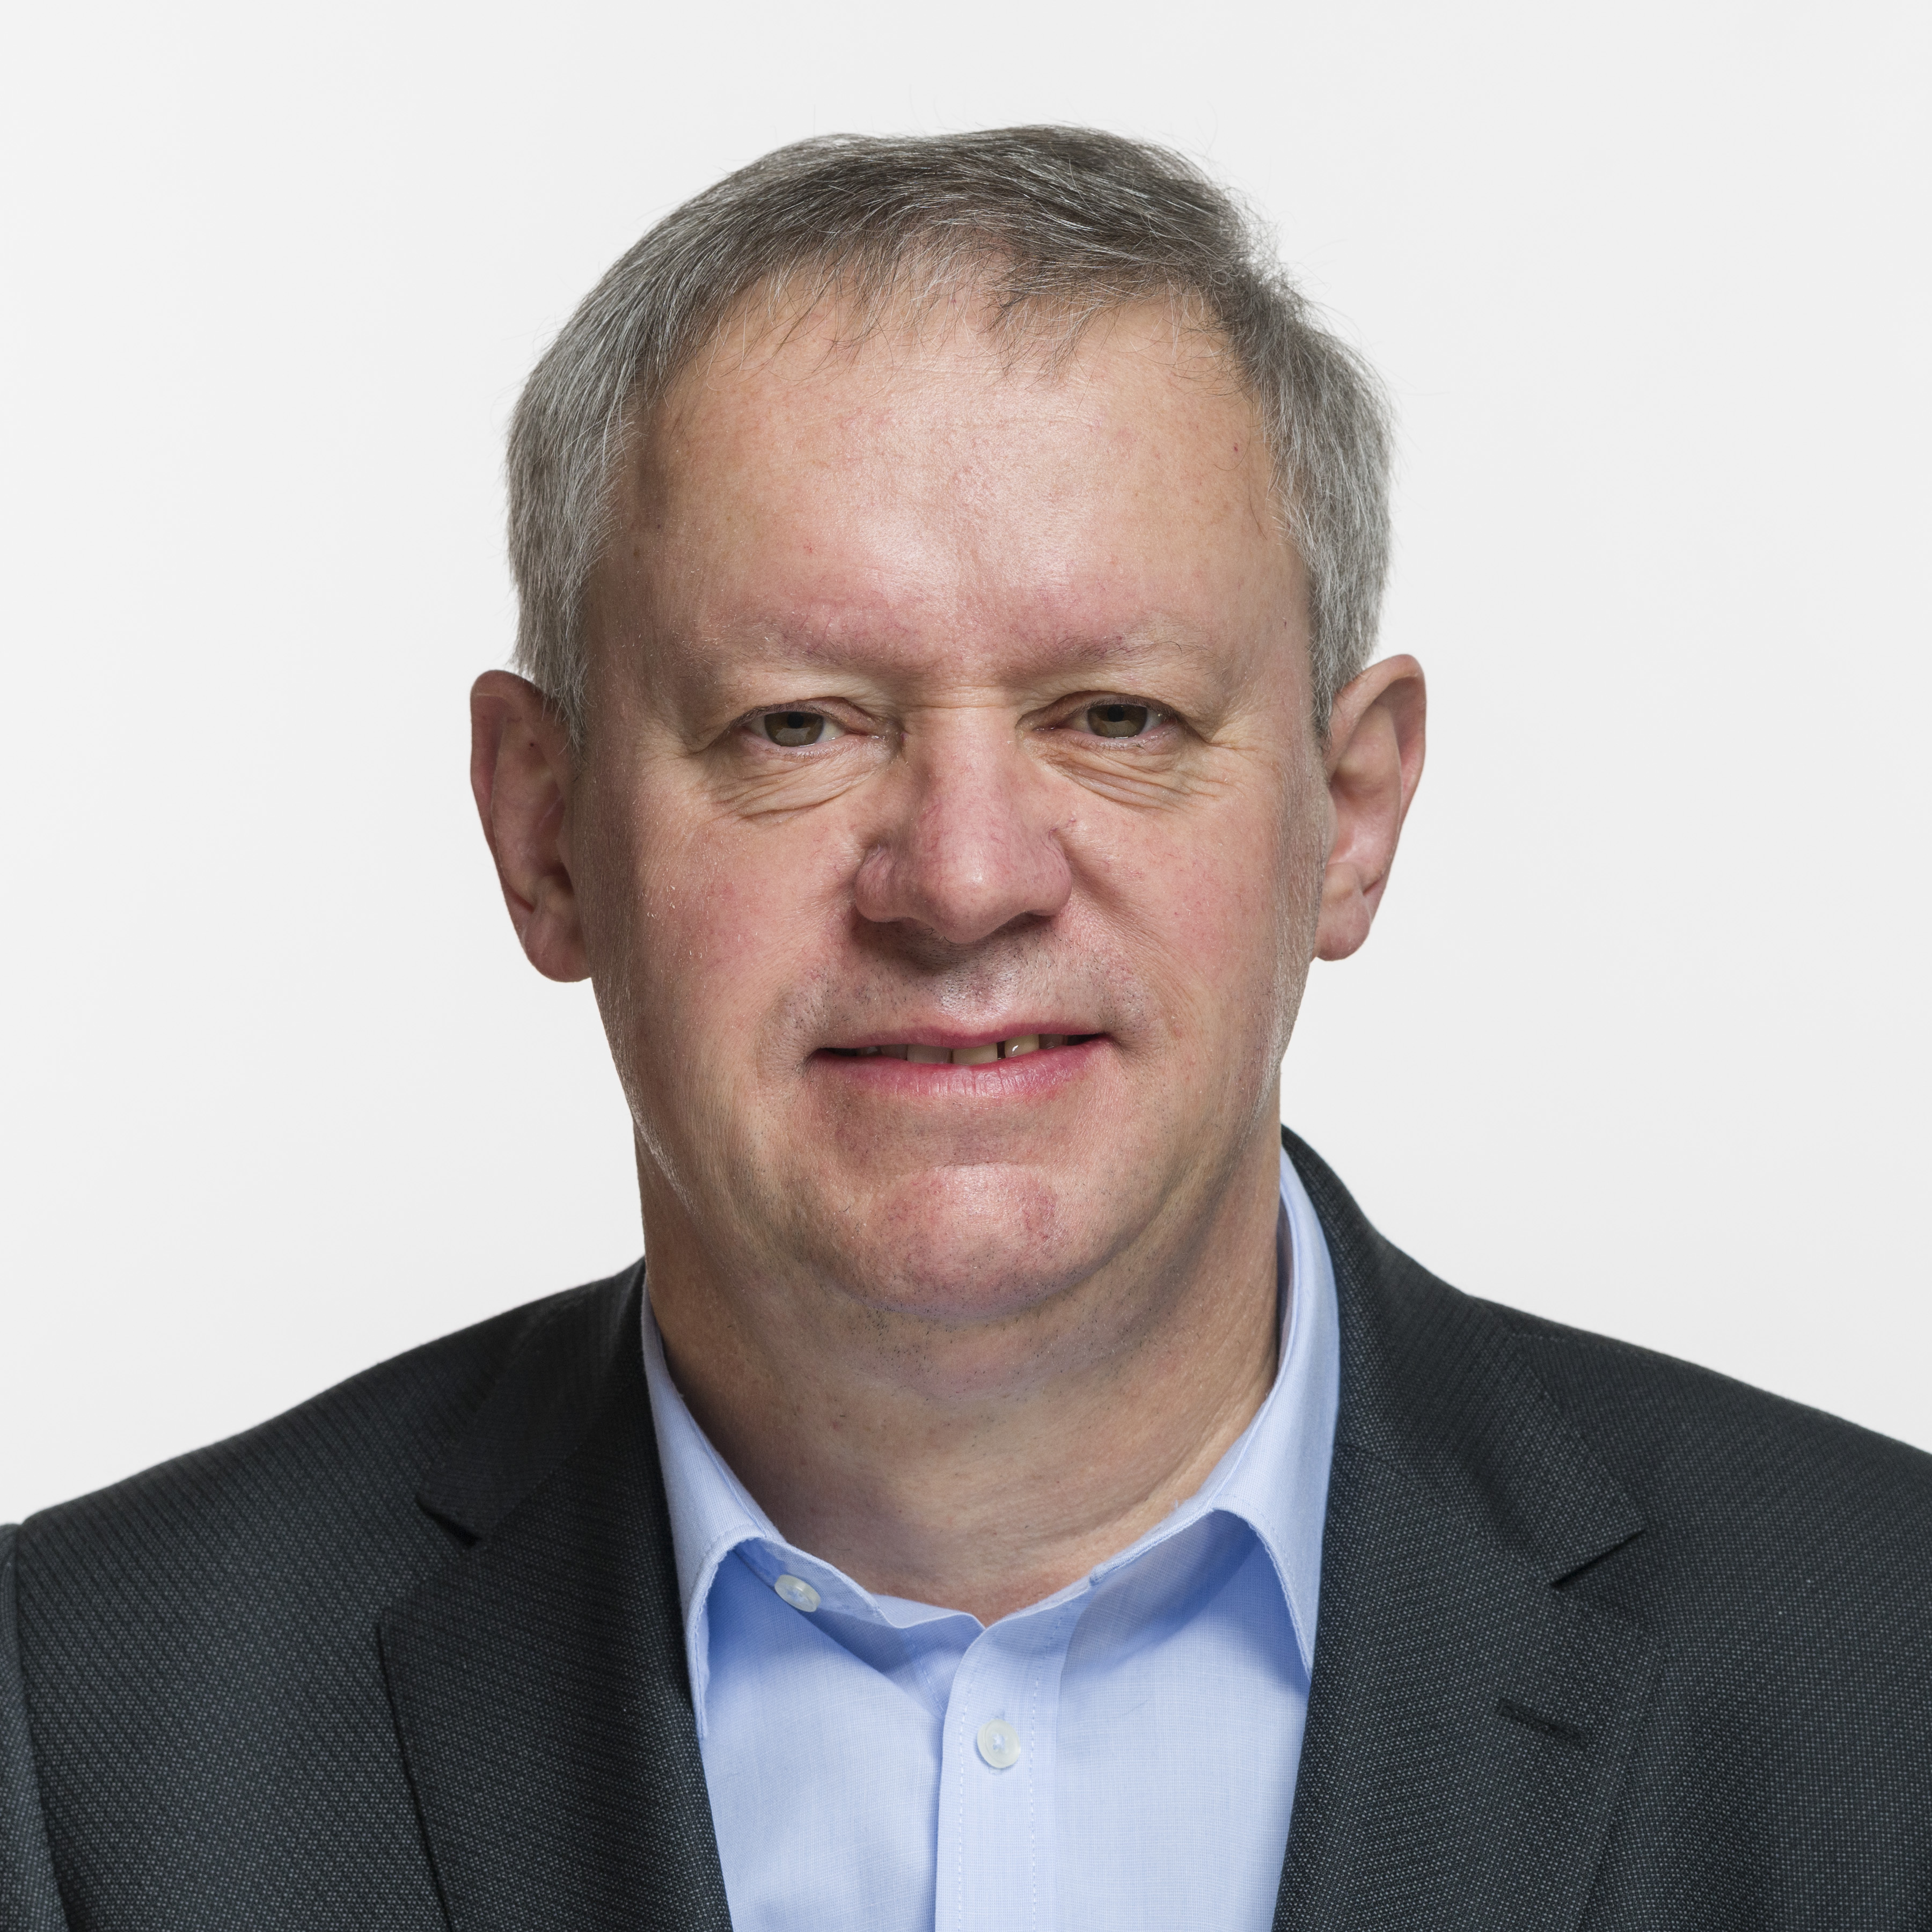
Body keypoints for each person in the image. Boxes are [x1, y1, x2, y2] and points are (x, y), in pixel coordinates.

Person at [3, 127, 1928, 1932]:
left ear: (1348, 818)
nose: (963, 877)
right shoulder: (82, 1734)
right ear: (545, 832)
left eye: (1116, 717)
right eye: (796, 725)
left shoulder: (1886, 1676)